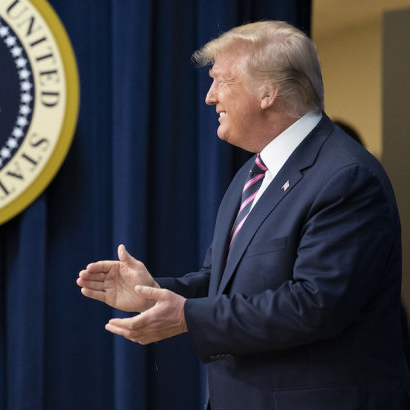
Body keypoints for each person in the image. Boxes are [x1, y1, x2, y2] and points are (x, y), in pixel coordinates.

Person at [77, 21, 410, 409]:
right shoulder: (254, 171)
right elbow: (222, 283)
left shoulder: (345, 176)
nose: (210, 97)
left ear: (268, 91)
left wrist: (187, 316)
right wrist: (157, 294)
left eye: (221, 80)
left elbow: (315, 305)